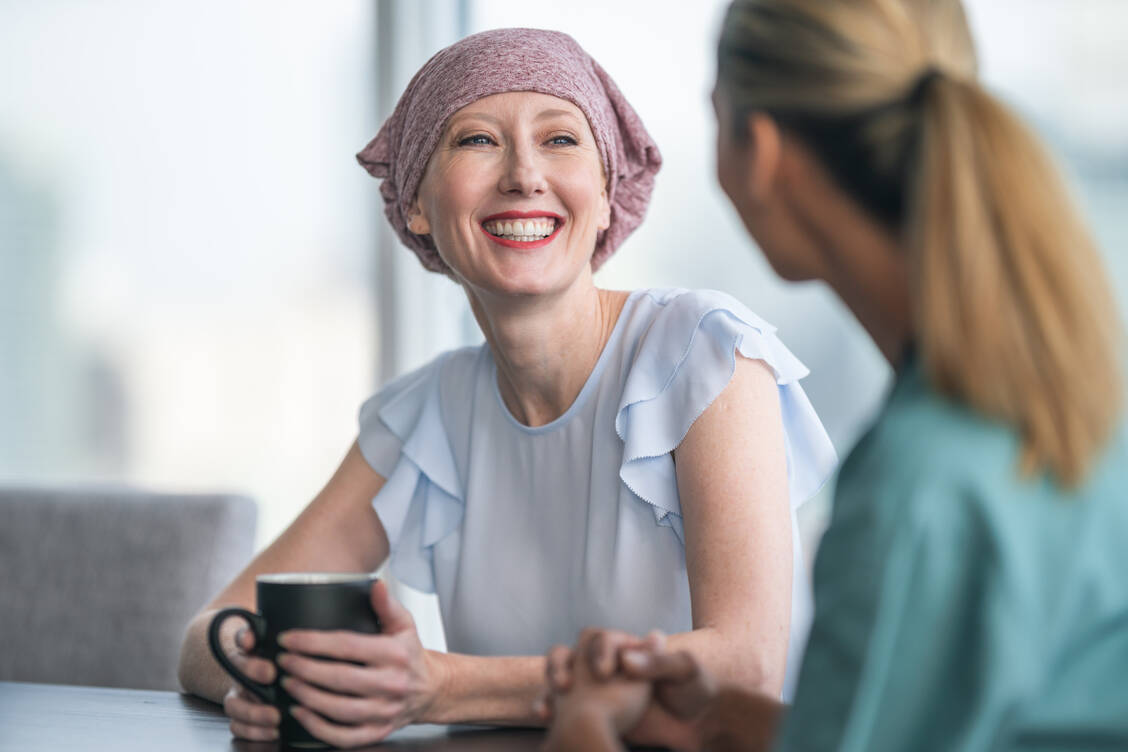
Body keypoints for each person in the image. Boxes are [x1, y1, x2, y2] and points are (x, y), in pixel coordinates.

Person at [175, 27, 836, 748]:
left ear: (609, 195)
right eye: (475, 141)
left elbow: (747, 666)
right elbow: (203, 636)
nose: (525, 175)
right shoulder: (427, 414)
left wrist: (440, 688)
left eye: (559, 140)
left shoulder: (703, 352)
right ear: (417, 205)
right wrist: (269, 678)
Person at [539, 0, 1128, 750]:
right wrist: (718, 718)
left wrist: (583, 723)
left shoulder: (916, 490)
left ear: (759, 148)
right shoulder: (1072, 408)